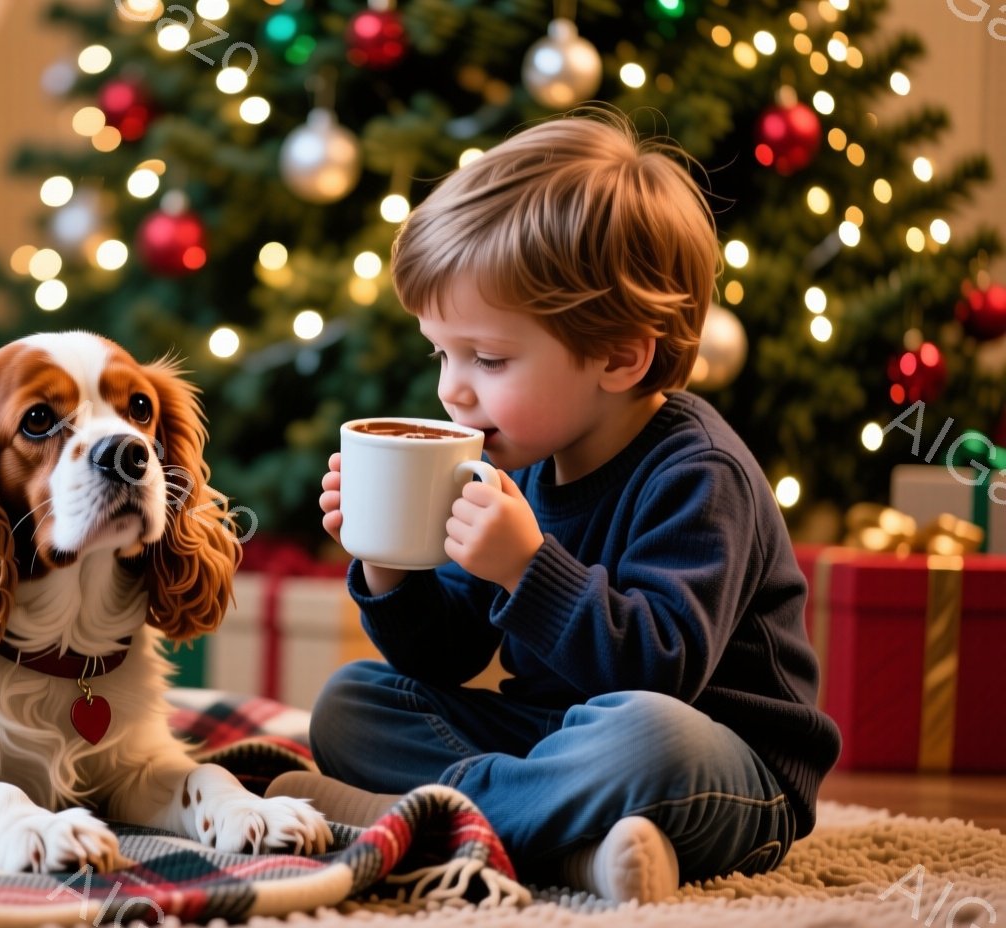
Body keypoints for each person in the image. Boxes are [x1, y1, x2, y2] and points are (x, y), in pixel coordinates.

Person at [269, 112, 841, 904]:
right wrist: (388, 565)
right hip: (553, 742)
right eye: (442, 352)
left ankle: (429, 819)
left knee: (643, 734)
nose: (451, 389)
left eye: (487, 357)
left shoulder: (700, 473)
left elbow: (661, 670)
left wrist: (526, 567)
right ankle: (571, 852)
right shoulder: (518, 457)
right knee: (351, 705)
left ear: (619, 356)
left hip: (724, 766)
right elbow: (447, 657)